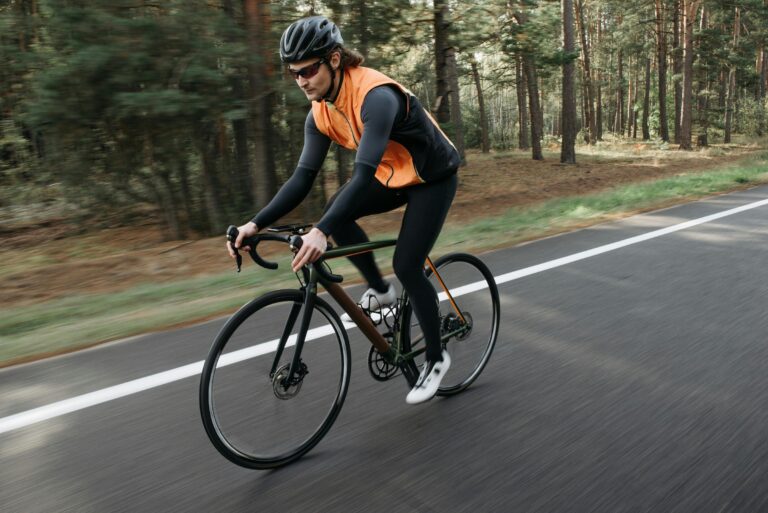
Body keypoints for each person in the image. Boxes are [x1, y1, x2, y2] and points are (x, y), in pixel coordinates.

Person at [227, 15, 460, 404]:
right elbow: (301, 179)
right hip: (394, 175)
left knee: (407, 262)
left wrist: (322, 230)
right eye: (293, 73)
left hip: (432, 178)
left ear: (334, 60)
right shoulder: (319, 111)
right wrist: (255, 224)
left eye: (307, 70)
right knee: (338, 209)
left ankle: (436, 359)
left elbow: (362, 173)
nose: (300, 80)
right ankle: (380, 290)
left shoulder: (375, 96)